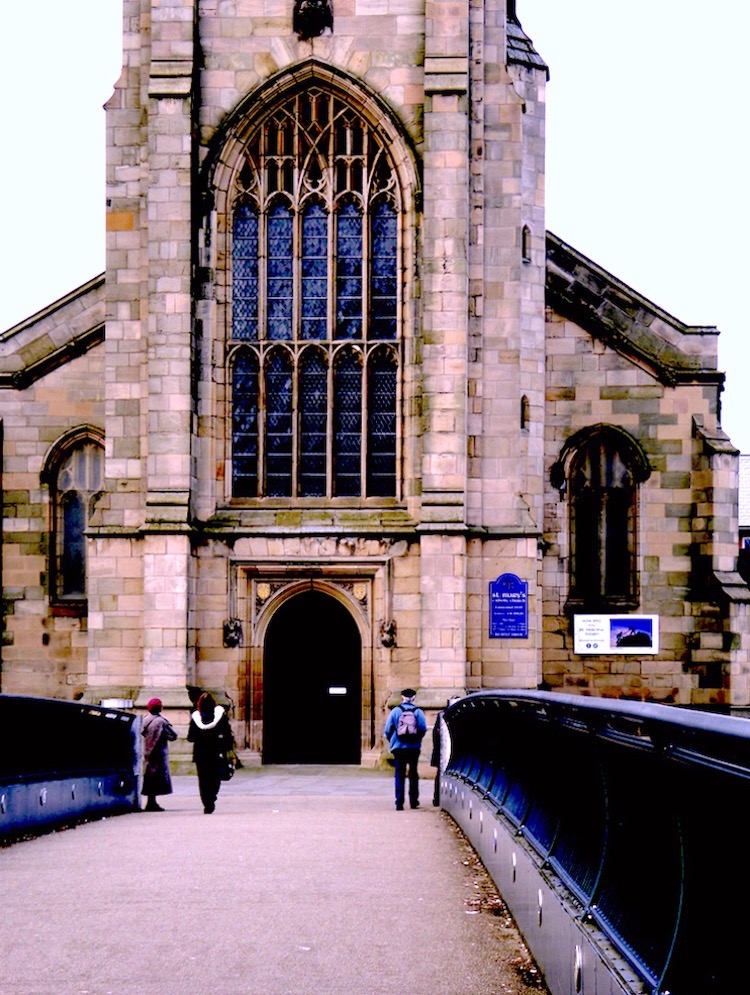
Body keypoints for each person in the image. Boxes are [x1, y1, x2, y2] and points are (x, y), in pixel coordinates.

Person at [187, 691, 234, 814]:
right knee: (215, 776)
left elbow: (190, 737)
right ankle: (212, 795)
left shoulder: (196, 717)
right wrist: (228, 748)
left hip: (200, 753)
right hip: (216, 751)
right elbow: (228, 734)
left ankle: (207, 802)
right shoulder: (220, 715)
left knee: (203, 779)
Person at [384, 688, 427, 811]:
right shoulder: (418, 711)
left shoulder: (395, 711)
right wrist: (416, 739)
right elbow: (423, 728)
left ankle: (399, 802)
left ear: (402, 698)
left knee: (399, 773)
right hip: (413, 747)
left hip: (398, 747)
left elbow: (387, 730)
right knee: (413, 773)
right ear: (414, 698)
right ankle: (413, 801)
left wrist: (393, 740)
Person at [141, 698, 177, 812]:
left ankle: (150, 802)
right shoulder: (161, 721)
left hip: (146, 754)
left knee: (149, 778)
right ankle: (152, 803)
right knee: (156, 779)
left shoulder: (144, 719)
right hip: (158, 754)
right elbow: (173, 735)